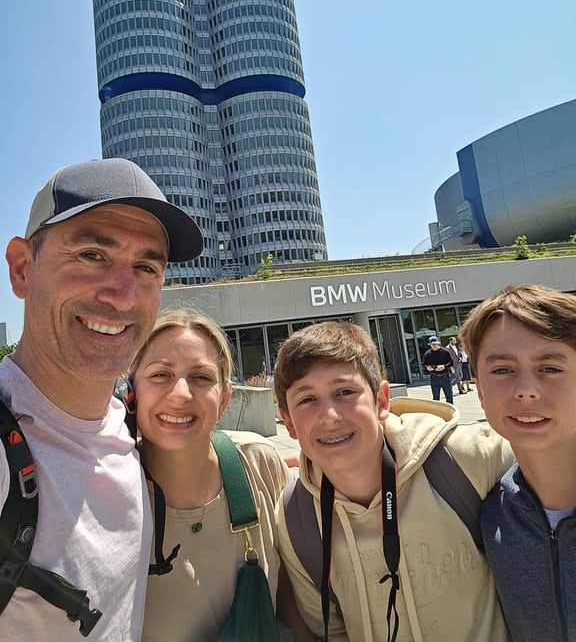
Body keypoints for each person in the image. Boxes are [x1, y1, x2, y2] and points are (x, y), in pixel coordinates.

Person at [0, 158, 203, 640]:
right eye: (92, 254)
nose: (121, 294)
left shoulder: (130, 425)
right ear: (23, 269)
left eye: (146, 266)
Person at [274, 321, 514, 642]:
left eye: (345, 392)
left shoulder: (463, 457)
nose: (330, 416)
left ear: (381, 401)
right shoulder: (295, 516)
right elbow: (330, 629)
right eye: (306, 400)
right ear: (288, 422)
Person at [128, 309, 313, 642]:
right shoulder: (109, 490)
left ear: (225, 397)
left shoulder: (259, 464)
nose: (181, 394)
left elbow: (290, 593)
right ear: (132, 392)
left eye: (201, 378)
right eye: (160, 375)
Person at [460, 284, 576, 641]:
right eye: (501, 371)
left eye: (551, 368)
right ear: (478, 389)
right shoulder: (491, 515)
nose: (526, 389)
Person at [422, 335, 454, 403]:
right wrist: (427, 367)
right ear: (430, 345)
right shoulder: (427, 354)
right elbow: (424, 364)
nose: (434, 346)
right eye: (433, 344)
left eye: (436, 344)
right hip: (434, 377)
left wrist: (444, 366)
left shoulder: (445, 352)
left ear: (438, 343)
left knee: (449, 395)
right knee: (435, 397)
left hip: (445, 376)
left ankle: (449, 411)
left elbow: (451, 362)